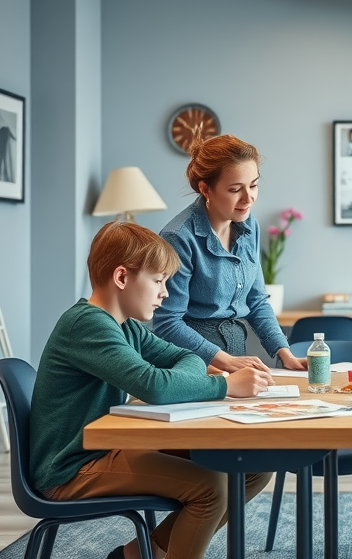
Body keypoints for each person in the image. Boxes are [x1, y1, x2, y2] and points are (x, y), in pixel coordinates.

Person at [31, 221, 272, 559]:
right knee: (211, 489)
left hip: (106, 449)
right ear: (121, 278)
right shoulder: (88, 325)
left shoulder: (126, 326)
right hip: (71, 468)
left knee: (254, 465)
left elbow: (184, 356)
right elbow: (155, 386)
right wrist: (225, 384)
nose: (165, 292)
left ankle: (140, 554)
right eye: (158, 281)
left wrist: (187, 375)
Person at [152, 134, 306, 375]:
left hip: (235, 357)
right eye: (235, 189)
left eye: (253, 185)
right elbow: (167, 322)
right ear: (206, 189)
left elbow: (256, 300)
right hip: (192, 364)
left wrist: (284, 352)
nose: (248, 198)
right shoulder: (178, 237)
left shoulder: (249, 225)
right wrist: (226, 362)